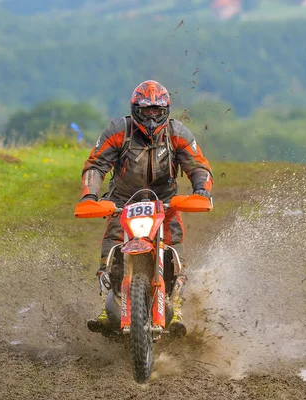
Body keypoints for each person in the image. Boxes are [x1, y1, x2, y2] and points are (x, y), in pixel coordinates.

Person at [80, 80, 213, 334]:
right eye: (146, 111)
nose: (152, 118)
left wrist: (202, 191)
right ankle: (110, 298)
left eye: (157, 112)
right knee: (114, 243)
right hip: (122, 200)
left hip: (164, 201)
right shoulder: (119, 130)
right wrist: (89, 196)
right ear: (135, 110)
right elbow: (96, 165)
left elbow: (198, 166)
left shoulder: (177, 133)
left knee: (174, 246)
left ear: (166, 112)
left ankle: (176, 303)